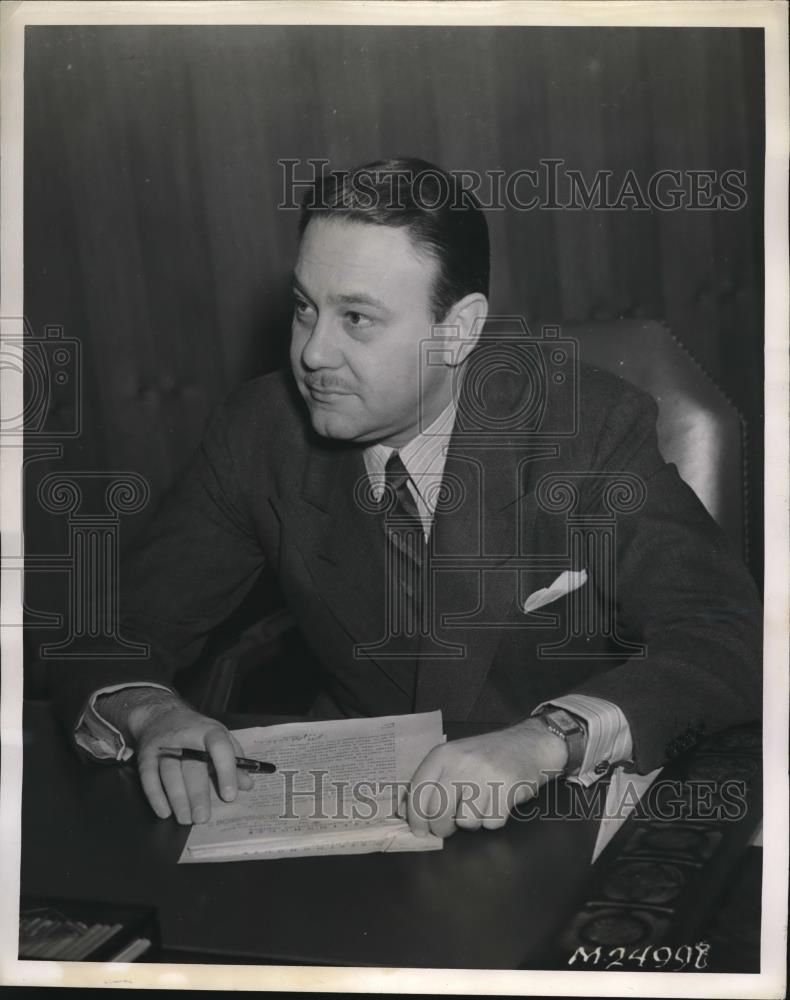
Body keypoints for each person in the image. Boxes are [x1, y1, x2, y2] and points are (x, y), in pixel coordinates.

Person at [53, 158, 762, 839]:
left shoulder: (582, 428)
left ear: (457, 330)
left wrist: (548, 740)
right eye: (305, 308)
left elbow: (728, 635)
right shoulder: (259, 433)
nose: (312, 354)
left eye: (356, 319)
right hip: (353, 823)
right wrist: (150, 712)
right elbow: (111, 629)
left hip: (563, 813)